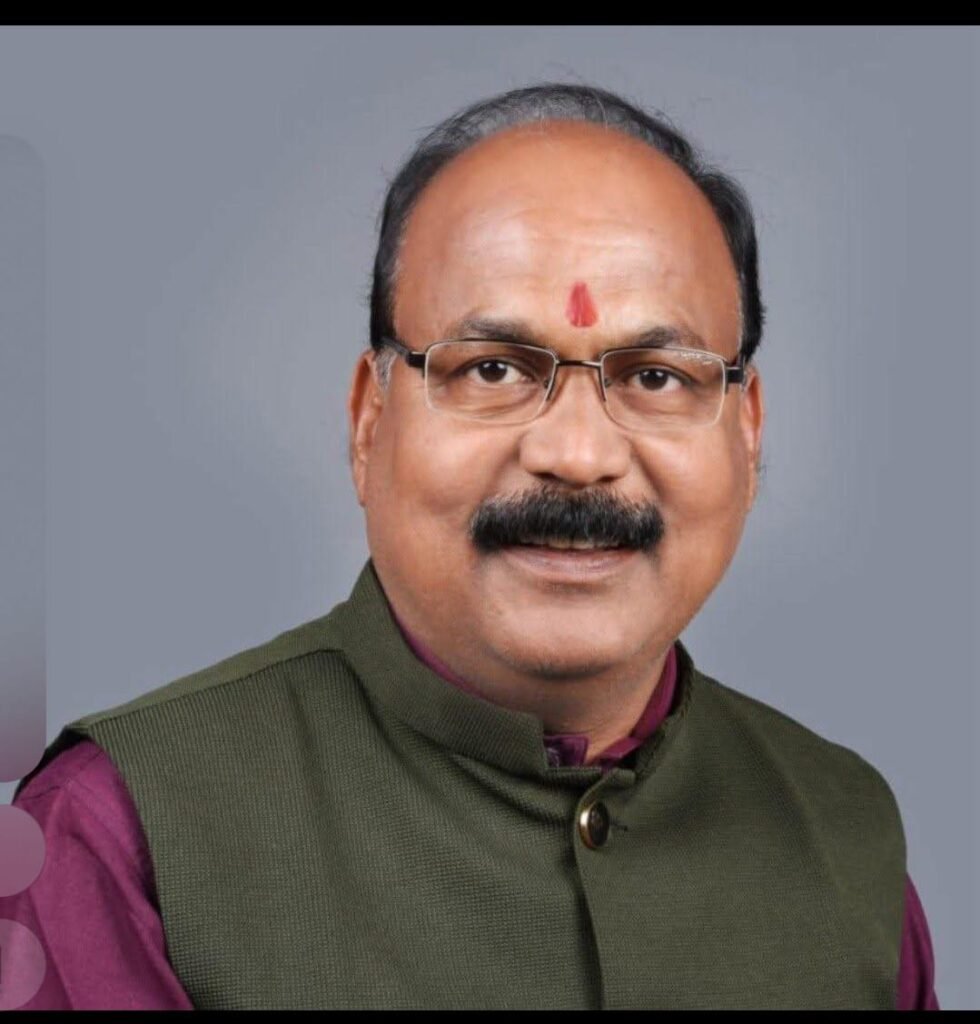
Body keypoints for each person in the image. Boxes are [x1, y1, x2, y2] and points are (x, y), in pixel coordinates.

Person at [1, 83, 939, 1010]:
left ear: (748, 431)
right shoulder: (119, 834)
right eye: (493, 369)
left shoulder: (842, 833)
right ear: (369, 422)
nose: (578, 455)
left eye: (657, 377)